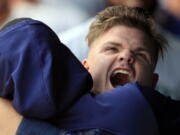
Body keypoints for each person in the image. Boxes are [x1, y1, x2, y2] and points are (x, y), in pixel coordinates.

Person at [0, 5, 180, 135]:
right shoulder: (42, 88)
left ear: (154, 83)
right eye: (112, 49)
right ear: (85, 66)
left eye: (141, 55)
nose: (126, 56)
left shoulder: (150, 110)